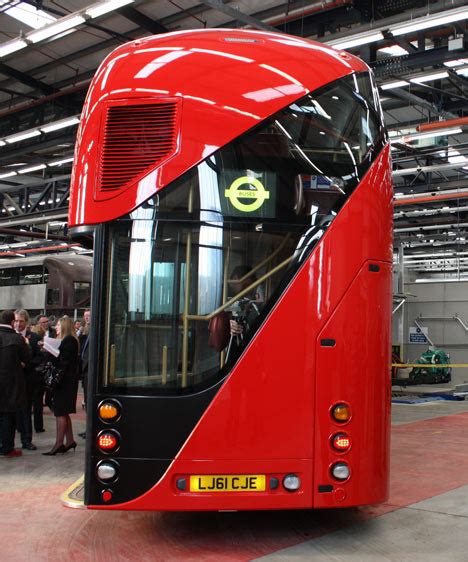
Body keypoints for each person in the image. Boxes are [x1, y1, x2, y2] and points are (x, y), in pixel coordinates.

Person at [43, 316, 80, 456]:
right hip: (67, 381)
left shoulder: (69, 340)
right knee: (63, 411)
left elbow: (62, 361)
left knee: (60, 412)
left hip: (65, 382)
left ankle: (59, 443)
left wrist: (48, 350)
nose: (56, 327)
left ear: (64, 326)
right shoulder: (69, 340)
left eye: (58, 325)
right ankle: (69, 441)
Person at [0, 310, 30, 458]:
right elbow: (27, 359)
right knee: (8, 415)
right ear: (12, 322)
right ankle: (7, 448)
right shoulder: (17, 339)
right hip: (11, 384)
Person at [15, 309, 42, 448]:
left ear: (26, 322)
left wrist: (27, 363)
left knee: (26, 410)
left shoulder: (34, 337)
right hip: (11, 380)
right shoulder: (9, 336)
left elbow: (40, 357)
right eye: (16, 321)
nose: (18, 324)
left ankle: (27, 440)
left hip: (27, 379)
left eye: (21, 321)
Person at [78, 309, 90, 439]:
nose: (87, 318)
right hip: (85, 371)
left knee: (89, 401)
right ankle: (88, 428)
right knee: (86, 401)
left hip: (89, 370)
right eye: (85, 316)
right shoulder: (85, 331)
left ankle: (90, 429)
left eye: (89, 316)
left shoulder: (93, 330)